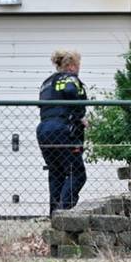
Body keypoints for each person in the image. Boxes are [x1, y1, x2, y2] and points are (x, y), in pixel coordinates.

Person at [37, 49, 88, 215]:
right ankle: (64, 212)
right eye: (78, 65)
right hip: (63, 129)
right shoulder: (71, 78)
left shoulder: (46, 83)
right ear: (72, 66)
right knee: (77, 174)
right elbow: (71, 91)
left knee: (56, 173)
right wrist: (80, 116)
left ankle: (54, 214)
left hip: (44, 130)